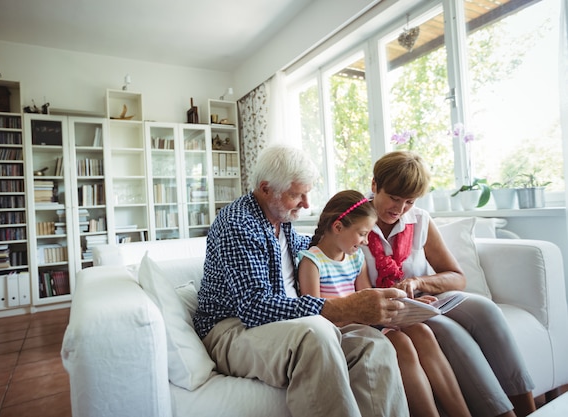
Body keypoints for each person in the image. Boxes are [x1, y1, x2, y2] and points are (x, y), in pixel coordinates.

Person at [193, 145, 409, 417]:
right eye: (297, 195)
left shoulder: (281, 221)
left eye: (307, 193)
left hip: (285, 324)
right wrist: (341, 308)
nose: (307, 204)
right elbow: (254, 307)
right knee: (315, 335)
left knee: (372, 343)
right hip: (230, 329)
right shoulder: (238, 223)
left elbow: (315, 247)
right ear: (265, 188)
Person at [361, 150, 536, 417]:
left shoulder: (419, 219)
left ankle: (530, 410)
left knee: (487, 310)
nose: (399, 209)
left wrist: (419, 281)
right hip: (394, 310)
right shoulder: (355, 221)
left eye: (409, 201)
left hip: (424, 298)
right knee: (449, 332)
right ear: (374, 186)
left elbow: (457, 277)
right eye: (393, 199)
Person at [298, 190, 472, 417]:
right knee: (401, 343)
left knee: (419, 332)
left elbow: (369, 295)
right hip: (342, 329)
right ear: (338, 227)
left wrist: (408, 303)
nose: (365, 241)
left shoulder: (355, 258)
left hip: (364, 322)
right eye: (362, 234)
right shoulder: (312, 261)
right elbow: (316, 311)